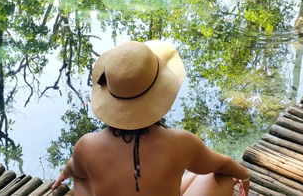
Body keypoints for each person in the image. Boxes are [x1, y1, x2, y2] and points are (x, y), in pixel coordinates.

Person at [51, 40, 250, 196]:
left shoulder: (86, 146)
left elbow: (75, 167)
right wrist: (244, 176)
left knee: (81, 176)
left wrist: (68, 170)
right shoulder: (180, 142)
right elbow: (223, 164)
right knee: (223, 177)